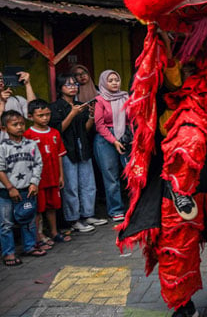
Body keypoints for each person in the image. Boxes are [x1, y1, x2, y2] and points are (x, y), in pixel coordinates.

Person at [49, 74, 106, 233]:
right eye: (68, 84)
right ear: (60, 88)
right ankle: (73, 219)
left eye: (75, 84)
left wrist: (91, 116)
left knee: (88, 184)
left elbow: (85, 130)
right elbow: (58, 131)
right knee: (71, 186)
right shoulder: (55, 107)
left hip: (82, 147)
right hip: (67, 149)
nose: (73, 87)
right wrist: (72, 114)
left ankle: (88, 214)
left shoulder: (81, 105)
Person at [24, 100, 72, 247]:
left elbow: (59, 155)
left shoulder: (55, 133)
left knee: (52, 206)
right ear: (31, 116)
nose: (45, 118)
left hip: (53, 176)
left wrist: (61, 175)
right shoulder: (28, 135)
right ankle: (39, 236)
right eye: (41, 115)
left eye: (47, 115)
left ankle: (54, 232)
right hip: (38, 180)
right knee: (38, 209)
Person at [0, 110, 45, 266]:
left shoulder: (31, 144)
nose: (19, 127)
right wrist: (10, 187)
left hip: (28, 189)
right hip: (6, 192)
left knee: (29, 219)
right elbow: (0, 169)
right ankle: (9, 253)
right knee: (6, 223)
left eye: (21, 124)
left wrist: (34, 182)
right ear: (4, 128)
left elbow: (38, 164)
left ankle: (30, 246)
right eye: (15, 125)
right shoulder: (2, 147)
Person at [93, 70, 129, 222]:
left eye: (116, 79)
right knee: (111, 177)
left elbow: (132, 119)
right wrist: (114, 140)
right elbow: (99, 125)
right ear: (103, 83)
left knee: (131, 174)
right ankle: (116, 210)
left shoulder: (126, 97)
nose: (115, 83)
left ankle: (136, 206)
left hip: (126, 137)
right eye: (110, 80)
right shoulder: (99, 100)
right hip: (106, 140)